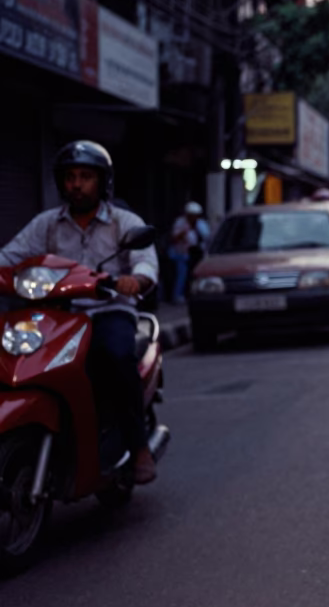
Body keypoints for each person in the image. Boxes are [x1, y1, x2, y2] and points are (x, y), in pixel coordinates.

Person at [0, 141, 160, 484]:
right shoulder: (46, 224)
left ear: (102, 181)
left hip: (108, 311)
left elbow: (146, 262)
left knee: (117, 356)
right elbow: (11, 256)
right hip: (57, 315)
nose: (76, 184)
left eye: (85, 177)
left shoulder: (123, 222)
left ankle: (138, 447)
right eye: (70, 177)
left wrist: (136, 279)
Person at [168, 201, 209, 304]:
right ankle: (177, 295)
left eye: (195, 215)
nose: (193, 218)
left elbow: (207, 237)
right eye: (191, 215)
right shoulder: (180, 223)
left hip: (197, 252)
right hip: (182, 253)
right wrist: (184, 232)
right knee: (182, 274)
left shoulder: (201, 224)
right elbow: (174, 238)